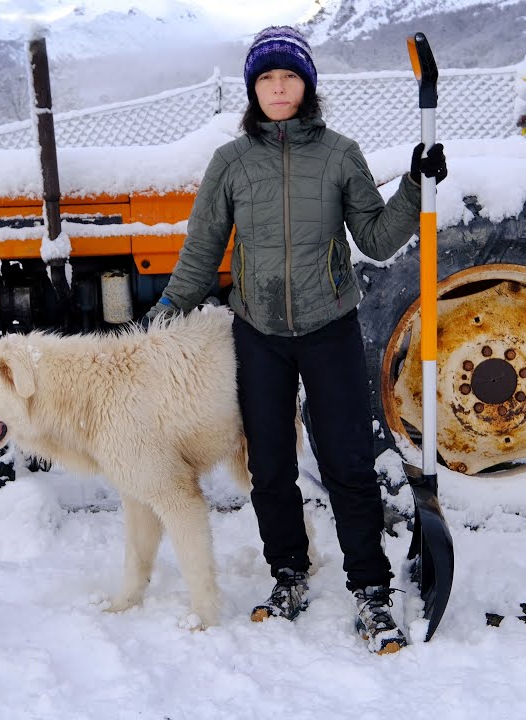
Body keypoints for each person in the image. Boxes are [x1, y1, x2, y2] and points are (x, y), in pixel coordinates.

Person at [144, 25, 446, 654]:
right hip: (257, 333)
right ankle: (288, 571)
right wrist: (168, 309)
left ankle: (371, 589)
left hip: (330, 327)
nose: (278, 88)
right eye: (266, 79)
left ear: (306, 85)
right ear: (253, 89)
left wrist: (417, 185)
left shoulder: (339, 154)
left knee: (349, 465)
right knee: (270, 467)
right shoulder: (231, 163)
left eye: (289, 77)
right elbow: (203, 249)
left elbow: (377, 239)